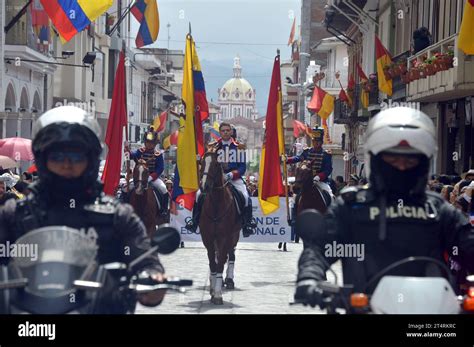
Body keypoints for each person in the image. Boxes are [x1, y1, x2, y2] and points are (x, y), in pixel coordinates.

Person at [294, 107, 474, 307]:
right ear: (377, 160)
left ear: (423, 162)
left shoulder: (439, 210)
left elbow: (468, 244)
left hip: (431, 318)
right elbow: (319, 248)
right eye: (393, 158)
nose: (402, 166)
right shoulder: (351, 207)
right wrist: (309, 278)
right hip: (364, 307)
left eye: (410, 159)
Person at [0, 106, 167, 313]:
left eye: (77, 156)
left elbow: (145, 259)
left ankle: (164, 209)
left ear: (90, 160)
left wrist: (152, 277)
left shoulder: (118, 217)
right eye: (58, 156)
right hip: (29, 321)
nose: (67, 164)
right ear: (43, 159)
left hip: (99, 310)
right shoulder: (13, 215)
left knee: (161, 191)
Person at [184, 122, 257, 237]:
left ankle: (247, 223)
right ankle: (194, 221)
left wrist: (231, 175)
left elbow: (242, 167)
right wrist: (199, 159)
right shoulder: (212, 146)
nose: (226, 132)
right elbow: (207, 162)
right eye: (223, 130)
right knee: (199, 195)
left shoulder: (239, 147)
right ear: (220, 132)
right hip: (216, 179)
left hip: (233, 178)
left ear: (231, 132)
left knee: (246, 196)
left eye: (228, 130)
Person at [125, 126, 169, 216]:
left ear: (155, 143)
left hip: (153, 178)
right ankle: (124, 207)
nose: (149, 144)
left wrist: (151, 177)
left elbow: (160, 168)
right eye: (148, 142)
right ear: (145, 142)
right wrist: (127, 150)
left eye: (151, 143)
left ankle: (164, 210)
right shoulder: (140, 151)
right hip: (139, 177)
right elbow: (132, 156)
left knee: (164, 189)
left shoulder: (158, 154)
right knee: (125, 188)